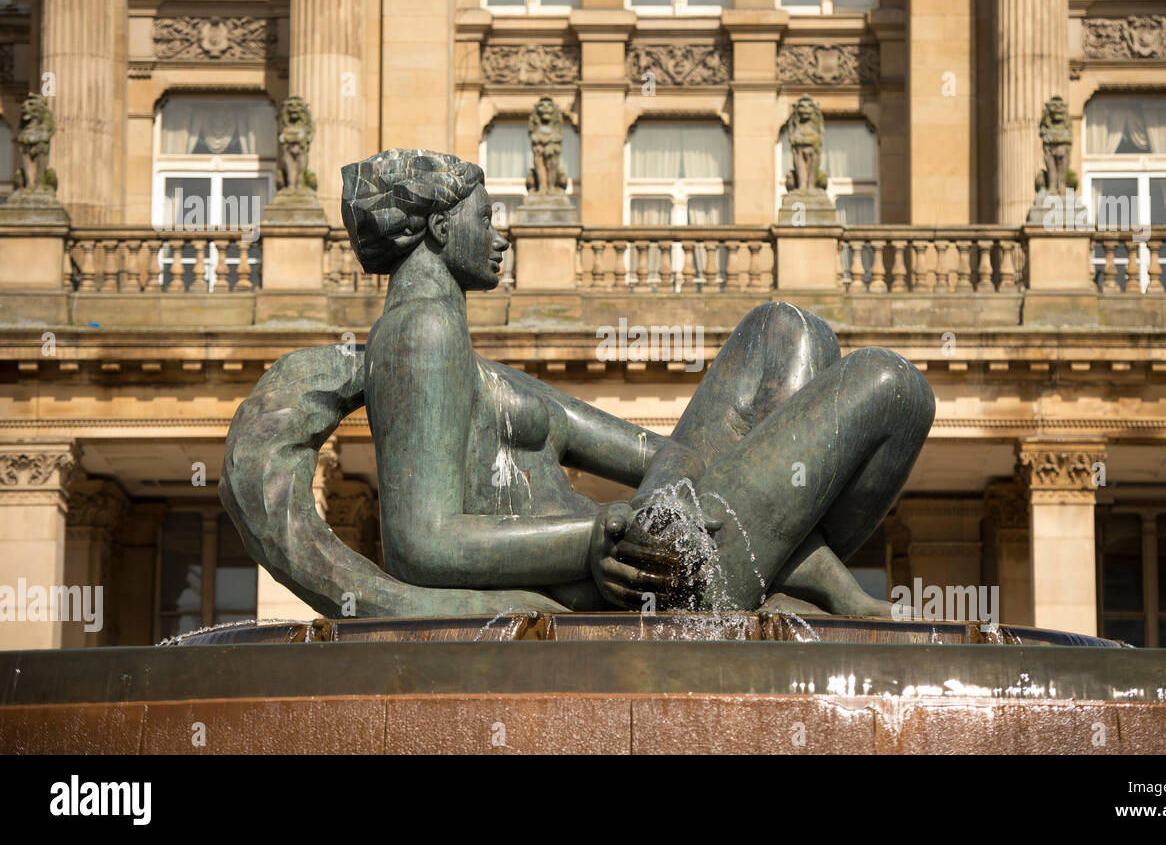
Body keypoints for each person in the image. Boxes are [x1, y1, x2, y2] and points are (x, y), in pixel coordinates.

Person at [220, 149, 934, 618]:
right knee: (890, 383)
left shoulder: (467, 357)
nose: (502, 235)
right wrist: (594, 537)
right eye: (486, 217)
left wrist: (806, 537)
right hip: (635, 581)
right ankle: (784, 580)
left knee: (787, 330)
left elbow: (649, 452)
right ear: (439, 226)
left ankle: (784, 573)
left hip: (652, 543)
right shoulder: (419, 335)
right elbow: (420, 544)